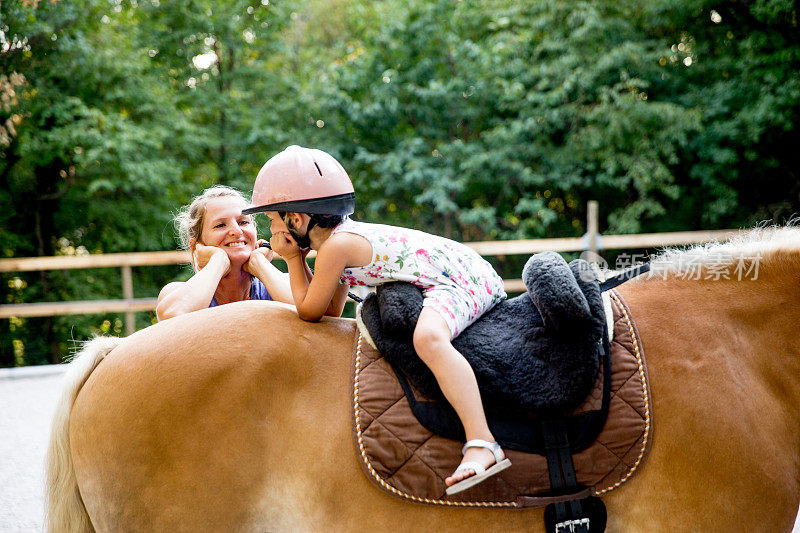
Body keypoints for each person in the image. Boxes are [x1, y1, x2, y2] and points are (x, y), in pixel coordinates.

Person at [243, 146, 511, 495]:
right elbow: (327, 312)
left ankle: (482, 441)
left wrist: (292, 259)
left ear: (297, 219)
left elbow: (307, 310)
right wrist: (302, 258)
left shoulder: (338, 246)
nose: (271, 229)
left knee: (428, 339)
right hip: (455, 272)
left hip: (460, 279)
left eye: (272, 221)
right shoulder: (334, 248)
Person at [156, 185, 295, 321]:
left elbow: (309, 310)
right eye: (220, 225)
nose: (237, 231)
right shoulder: (176, 292)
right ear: (196, 246)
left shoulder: (285, 283)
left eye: (243, 222)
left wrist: (259, 262)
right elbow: (172, 314)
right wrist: (218, 260)